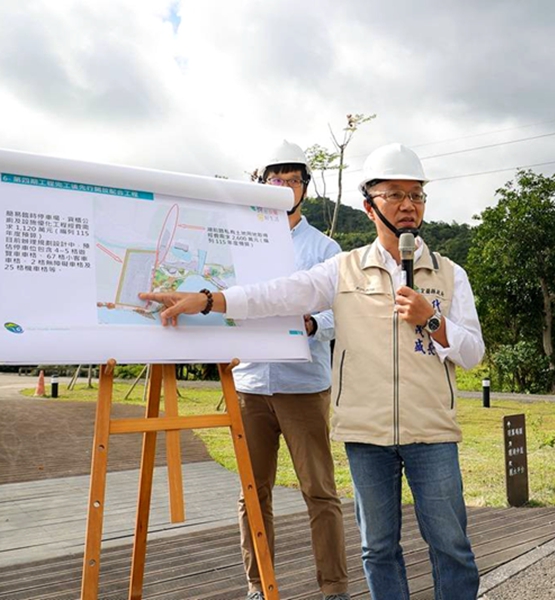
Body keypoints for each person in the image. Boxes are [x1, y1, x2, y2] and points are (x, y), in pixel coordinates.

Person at [140, 143, 484, 600]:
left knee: (451, 547)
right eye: (395, 195)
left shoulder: (450, 273)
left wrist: (432, 320)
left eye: (417, 195)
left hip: (433, 433)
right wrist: (208, 301)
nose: (408, 205)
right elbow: (279, 294)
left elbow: (473, 352)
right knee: (378, 549)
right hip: (367, 434)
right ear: (369, 206)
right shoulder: (341, 269)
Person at [237, 140, 348, 600]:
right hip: (249, 382)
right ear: (262, 184)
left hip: (303, 385)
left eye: (292, 179)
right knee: (251, 494)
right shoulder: (240, 240)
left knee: (319, 490)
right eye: (274, 179)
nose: (283, 187)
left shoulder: (325, 247)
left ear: (305, 187)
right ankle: (257, 585)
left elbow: (341, 313)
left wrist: (310, 321)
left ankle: (334, 588)